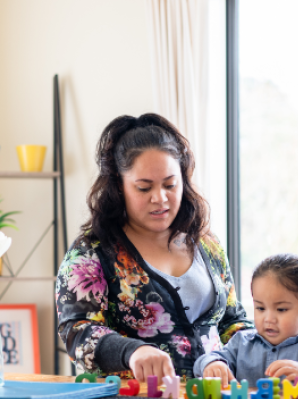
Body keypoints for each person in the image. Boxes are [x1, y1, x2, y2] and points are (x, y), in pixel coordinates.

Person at [55, 113, 253, 382]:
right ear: (119, 186)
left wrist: (276, 347)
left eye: (170, 184)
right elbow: (76, 331)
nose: (160, 198)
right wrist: (132, 352)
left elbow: (232, 321)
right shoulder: (92, 252)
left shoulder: (207, 244)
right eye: (144, 188)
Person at [193, 253, 298, 391]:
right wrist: (213, 364)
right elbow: (203, 361)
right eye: (260, 308)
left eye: (281, 310)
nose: (268, 319)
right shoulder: (241, 343)